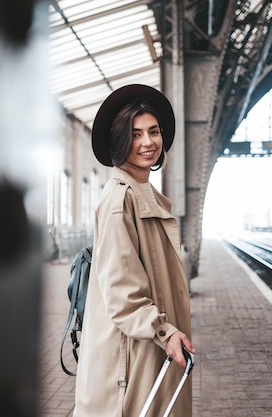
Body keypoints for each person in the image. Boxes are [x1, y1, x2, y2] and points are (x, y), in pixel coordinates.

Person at [74, 84, 194, 416]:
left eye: (153, 132)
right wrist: (164, 330)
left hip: (147, 348)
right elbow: (122, 290)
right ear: (120, 142)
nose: (147, 142)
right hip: (129, 358)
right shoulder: (120, 200)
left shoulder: (144, 194)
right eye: (136, 134)